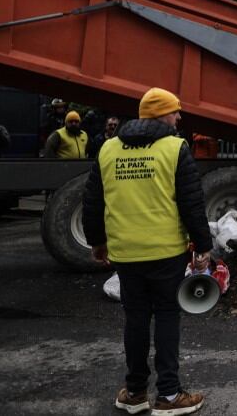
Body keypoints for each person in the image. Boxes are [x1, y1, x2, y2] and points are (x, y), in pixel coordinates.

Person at [83, 87, 211, 415]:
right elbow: (191, 202)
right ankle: (169, 396)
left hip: (126, 252)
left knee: (136, 318)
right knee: (167, 315)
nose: (179, 117)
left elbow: (94, 201)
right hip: (166, 250)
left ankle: (135, 392)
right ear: (159, 115)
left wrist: (97, 241)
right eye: (174, 111)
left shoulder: (108, 149)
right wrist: (203, 246)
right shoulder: (174, 148)